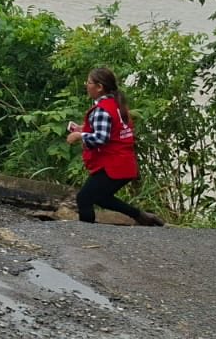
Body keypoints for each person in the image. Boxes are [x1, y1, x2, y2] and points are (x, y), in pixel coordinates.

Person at [68, 68, 165, 226]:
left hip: (113, 164)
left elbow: (101, 138)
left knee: (84, 198)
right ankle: (141, 216)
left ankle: (85, 235)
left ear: (99, 87)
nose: (86, 85)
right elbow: (113, 131)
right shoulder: (116, 105)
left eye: (89, 82)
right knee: (101, 197)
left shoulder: (102, 110)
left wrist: (80, 136)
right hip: (125, 163)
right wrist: (83, 129)